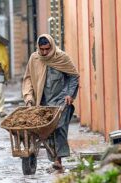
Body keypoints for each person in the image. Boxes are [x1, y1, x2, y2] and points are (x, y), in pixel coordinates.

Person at [22, 34, 79, 171]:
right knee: (45, 130)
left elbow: (73, 76)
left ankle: (58, 160)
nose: (45, 52)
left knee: (59, 127)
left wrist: (69, 94)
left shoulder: (61, 57)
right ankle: (51, 157)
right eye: (42, 49)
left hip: (61, 99)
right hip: (42, 100)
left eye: (47, 49)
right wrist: (29, 98)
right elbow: (28, 79)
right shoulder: (35, 59)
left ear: (52, 46)